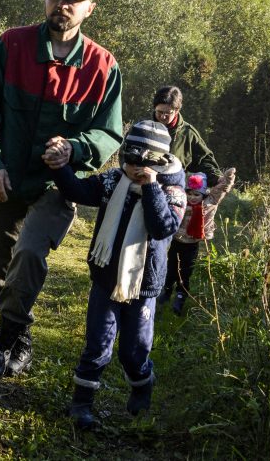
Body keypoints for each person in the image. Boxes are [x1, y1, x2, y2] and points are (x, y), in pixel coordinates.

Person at [0, 0, 123, 383]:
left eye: (72, 0)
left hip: (56, 185)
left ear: (89, 9)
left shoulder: (102, 66)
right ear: (47, 0)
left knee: (30, 252)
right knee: (3, 265)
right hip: (8, 178)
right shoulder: (10, 46)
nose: (62, 5)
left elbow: (109, 132)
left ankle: (2, 340)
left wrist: (76, 148)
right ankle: (22, 334)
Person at [50, 120, 187, 430]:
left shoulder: (173, 191)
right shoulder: (115, 180)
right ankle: (81, 404)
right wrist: (60, 167)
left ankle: (142, 385)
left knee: (134, 350)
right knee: (97, 342)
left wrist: (151, 187)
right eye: (128, 160)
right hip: (105, 278)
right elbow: (79, 190)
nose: (132, 168)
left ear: (158, 161)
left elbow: (163, 227)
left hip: (145, 286)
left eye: (140, 163)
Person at [160, 168, 236, 315]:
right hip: (177, 241)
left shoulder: (209, 203)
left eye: (197, 194)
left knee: (186, 271)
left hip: (192, 244)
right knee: (171, 268)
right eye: (190, 193)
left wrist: (228, 178)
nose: (193, 197)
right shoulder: (181, 202)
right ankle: (167, 291)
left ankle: (180, 296)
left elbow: (221, 190)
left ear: (204, 194)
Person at [151, 85, 221, 187]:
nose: (162, 116)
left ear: (177, 110)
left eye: (167, 113)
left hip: (172, 190)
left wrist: (218, 179)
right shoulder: (142, 127)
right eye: (159, 112)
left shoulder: (188, 133)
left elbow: (204, 160)